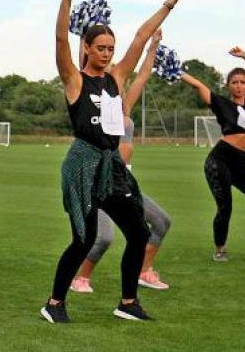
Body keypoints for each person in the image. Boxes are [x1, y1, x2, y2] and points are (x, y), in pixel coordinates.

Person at [42, 0, 190, 324]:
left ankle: (127, 302)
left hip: (111, 166)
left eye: (110, 48)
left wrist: (169, 4)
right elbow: (61, 38)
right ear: (88, 50)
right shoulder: (75, 80)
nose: (107, 54)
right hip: (83, 164)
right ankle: (54, 303)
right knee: (84, 239)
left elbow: (140, 37)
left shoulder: (117, 77)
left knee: (138, 231)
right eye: (101, 48)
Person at [70, 30, 172, 293]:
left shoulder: (125, 105)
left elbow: (144, 74)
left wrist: (153, 48)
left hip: (124, 180)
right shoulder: (96, 101)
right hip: (100, 178)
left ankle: (143, 270)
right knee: (103, 238)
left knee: (160, 222)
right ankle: (80, 277)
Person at [181, 48, 245, 262]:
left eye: (242, 82)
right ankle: (220, 248)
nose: (239, 86)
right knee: (226, 206)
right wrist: (175, 70)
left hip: (239, 166)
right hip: (219, 161)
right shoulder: (222, 103)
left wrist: (244, 56)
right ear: (228, 86)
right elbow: (198, 85)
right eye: (234, 82)